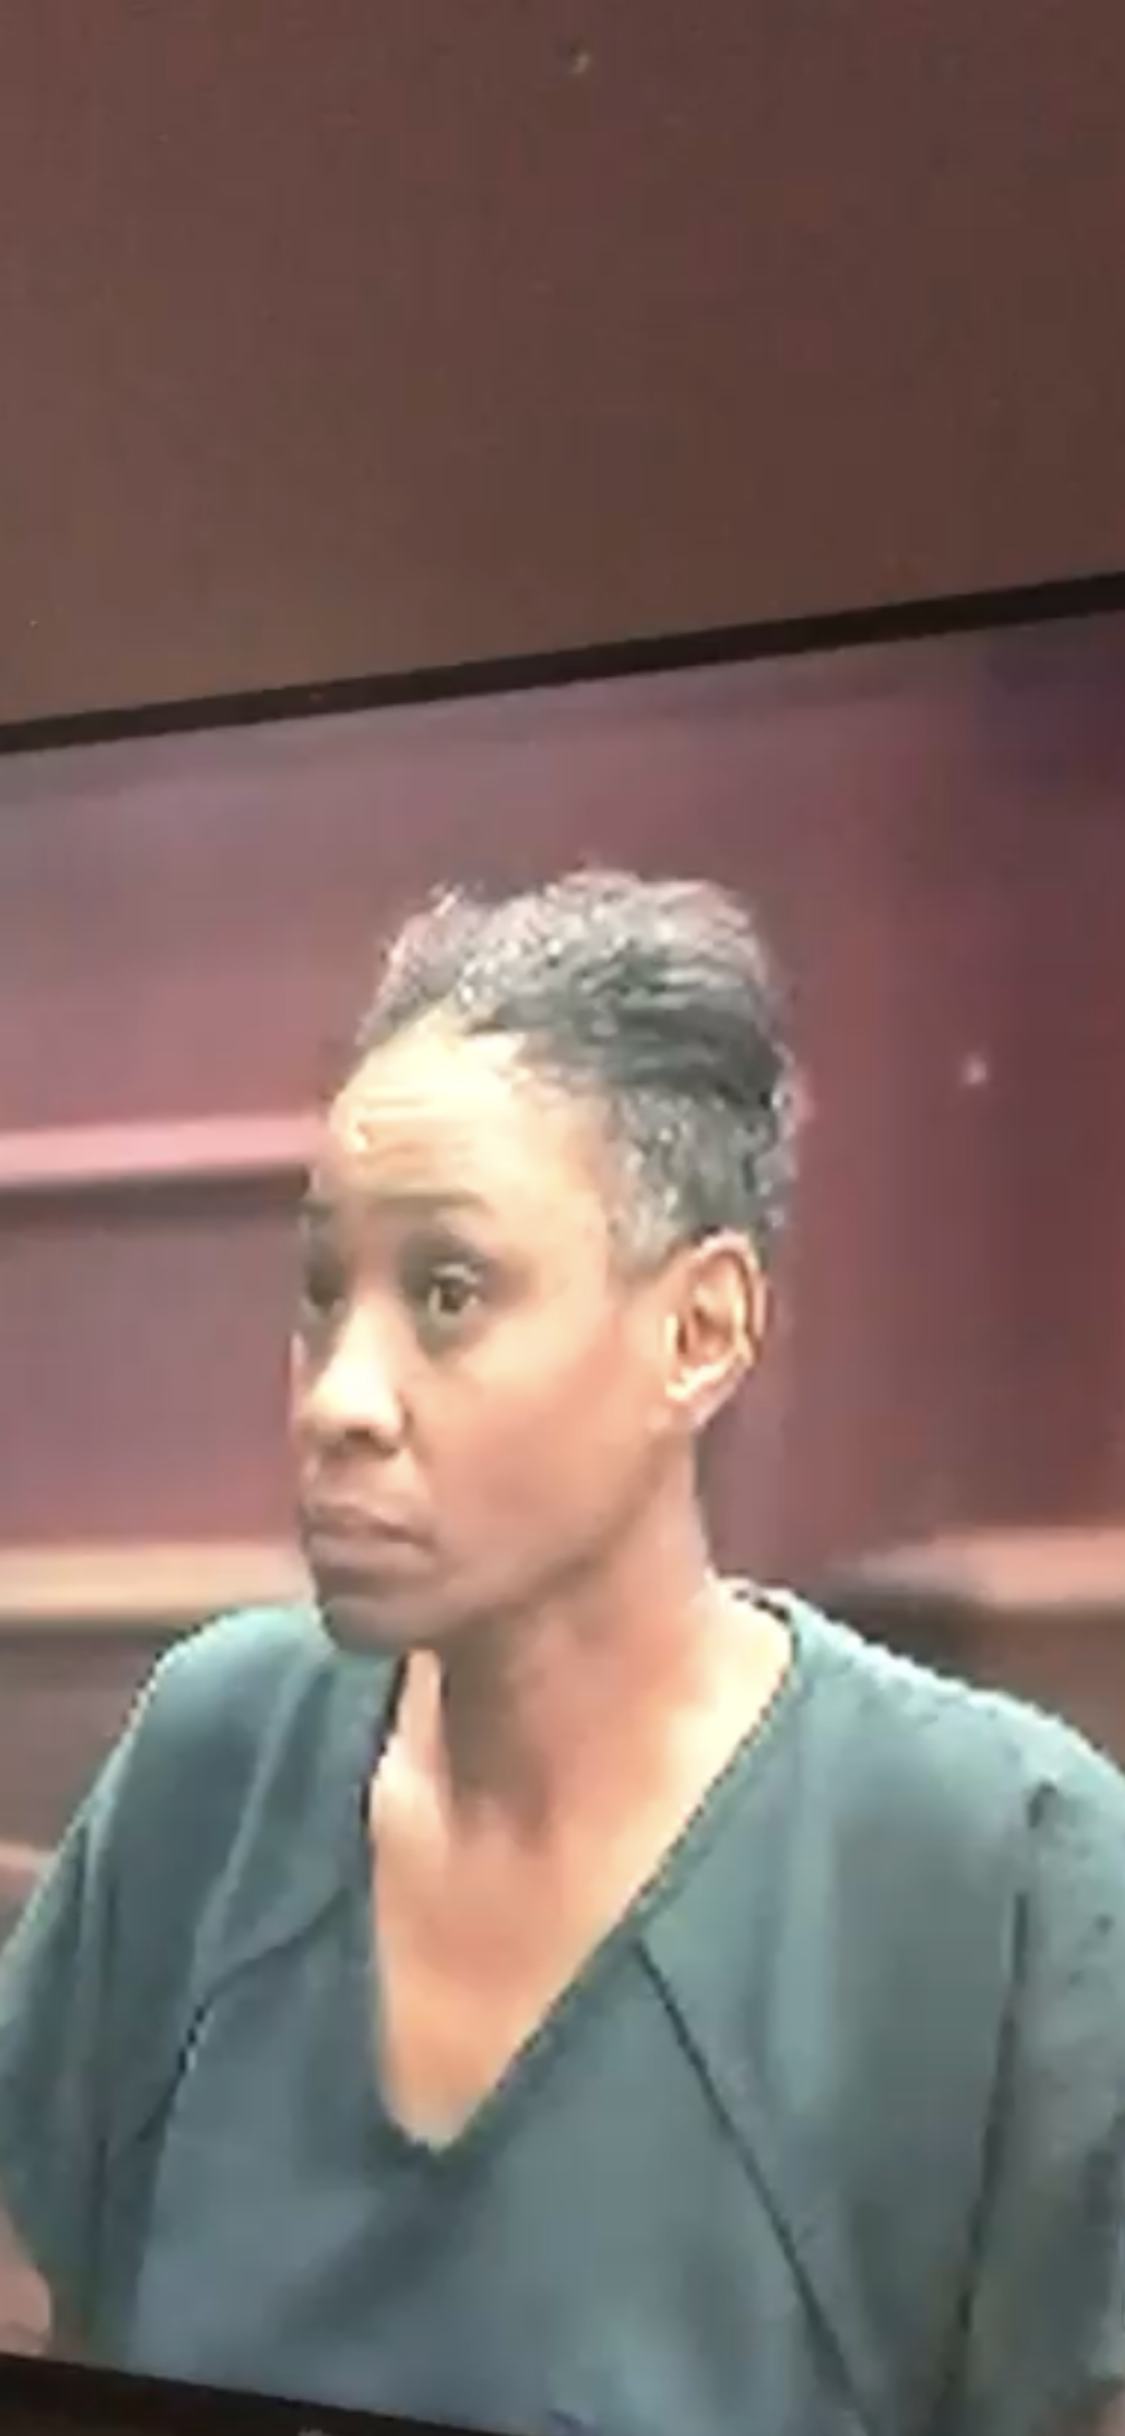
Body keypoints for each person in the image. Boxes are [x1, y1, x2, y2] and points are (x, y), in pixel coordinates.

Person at [1, 866, 1124, 2436]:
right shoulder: (214, 1759)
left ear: (701, 1332)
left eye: (449, 1293)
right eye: (324, 1292)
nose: (340, 1397)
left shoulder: (1005, 1875)